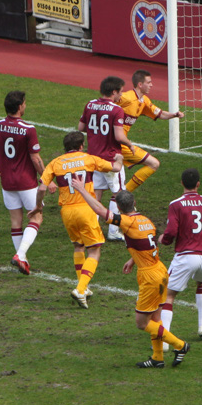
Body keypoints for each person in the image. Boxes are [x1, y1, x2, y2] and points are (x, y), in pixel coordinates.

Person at [68, 179, 190, 368]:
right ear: (134, 203)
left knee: (142, 323)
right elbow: (149, 244)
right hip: (160, 269)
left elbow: (101, 211)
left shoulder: (126, 222)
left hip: (150, 276)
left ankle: (179, 345)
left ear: (118, 207)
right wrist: (133, 259)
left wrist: (82, 190)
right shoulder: (146, 221)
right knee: (156, 319)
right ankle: (157, 358)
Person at [39, 131, 124, 308]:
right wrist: (120, 158)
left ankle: (83, 288)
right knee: (95, 250)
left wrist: (38, 206)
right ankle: (80, 288)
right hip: (86, 209)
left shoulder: (55, 162)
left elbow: (41, 188)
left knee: (79, 246)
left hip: (67, 212)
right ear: (81, 146)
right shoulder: (89, 159)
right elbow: (115, 168)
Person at [158, 168, 202, 341]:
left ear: (181, 183)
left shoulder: (176, 204)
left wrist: (163, 240)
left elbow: (171, 230)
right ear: (198, 184)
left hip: (187, 255)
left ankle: (164, 339)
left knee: (168, 295)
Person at [0, 90, 44, 275]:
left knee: (16, 221)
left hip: (7, 182)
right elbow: (35, 158)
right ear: (19, 107)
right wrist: (47, 177)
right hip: (26, 182)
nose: (25, 105)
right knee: (36, 217)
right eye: (24, 103)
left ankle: (22, 259)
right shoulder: (28, 128)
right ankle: (21, 254)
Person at [77, 75, 135, 241]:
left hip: (93, 158)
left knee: (96, 194)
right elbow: (119, 136)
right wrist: (129, 144)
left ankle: (92, 230)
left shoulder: (90, 104)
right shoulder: (117, 110)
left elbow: (81, 127)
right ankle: (114, 231)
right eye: (120, 92)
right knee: (118, 193)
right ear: (114, 92)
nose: (121, 96)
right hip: (110, 158)